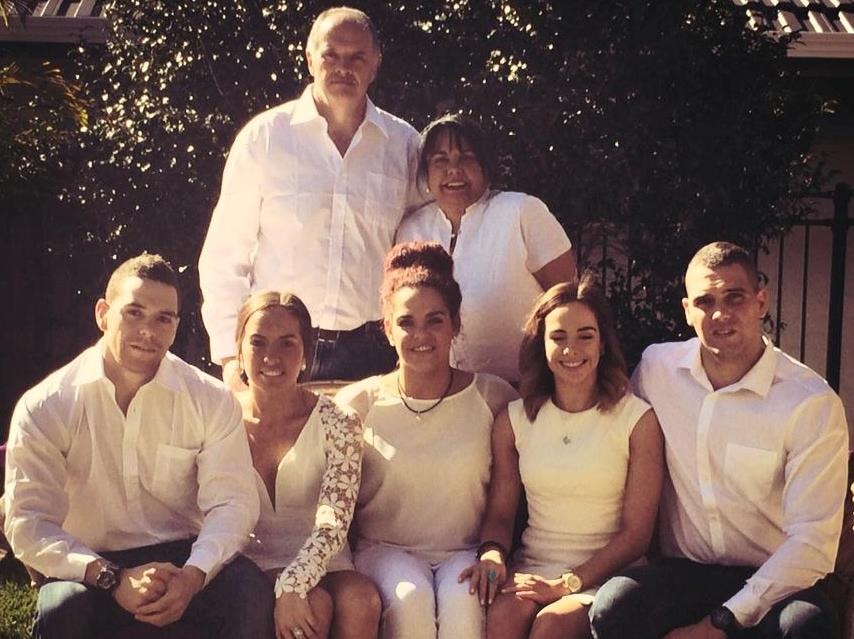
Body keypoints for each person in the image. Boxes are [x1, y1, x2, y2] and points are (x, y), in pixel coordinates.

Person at [4, 253, 272, 639]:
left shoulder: (210, 399)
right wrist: (112, 578)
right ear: (102, 313)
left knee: (249, 593)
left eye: (164, 318)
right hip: (91, 566)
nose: (149, 330)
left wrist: (193, 576)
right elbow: (28, 522)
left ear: (176, 326)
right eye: (134, 312)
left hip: (183, 558)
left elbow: (233, 503)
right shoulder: (47, 405)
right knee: (63, 608)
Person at [590, 241, 850, 639]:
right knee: (615, 607)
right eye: (705, 301)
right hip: (685, 573)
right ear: (687, 311)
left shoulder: (809, 401)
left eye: (735, 298)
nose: (720, 314)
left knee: (808, 627)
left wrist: (720, 623)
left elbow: (813, 544)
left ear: (761, 302)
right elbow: (610, 437)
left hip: (774, 580)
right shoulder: (658, 370)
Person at [199, 6, 420, 387]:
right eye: (330, 55)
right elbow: (224, 256)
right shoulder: (265, 138)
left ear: (375, 65)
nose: (342, 67)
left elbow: (421, 250)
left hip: (374, 352)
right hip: (279, 347)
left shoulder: (404, 145)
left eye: (357, 58)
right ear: (309, 58)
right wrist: (231, 357)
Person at [460, 278, 663, 639]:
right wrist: (492, 553)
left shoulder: (637, 420)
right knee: (503, 619)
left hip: (606, 575)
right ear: (541, 345)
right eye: (558, 337)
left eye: (585, 335)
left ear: (602, 344)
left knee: (551, 627)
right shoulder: (514, 420)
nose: (572, 349)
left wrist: (567, 584)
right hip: (533, 569)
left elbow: (637, 535)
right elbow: (501, 514)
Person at [335, 242, 518, 639]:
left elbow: (504, 507)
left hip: (466, 551)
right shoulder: (358, 404)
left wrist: (493, 552)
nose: (421, 335)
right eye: (406, 322)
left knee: (465, 608)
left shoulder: (494, 398)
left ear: (455, 324)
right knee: (410, 601)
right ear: (387, 329)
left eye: (435, 320)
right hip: (384, 550)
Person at [233, 290, 381, 639]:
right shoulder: (218, 419)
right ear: (239, 351)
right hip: (247, 562)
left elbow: (334, 518)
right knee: (314, 604)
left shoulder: (339, 420)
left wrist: (293, 582)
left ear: (306, 353)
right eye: (258, 342)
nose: (272, 356)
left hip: (324, 557)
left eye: (287, 343)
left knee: (362, 600)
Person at [395, 114, 576, 382]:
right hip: (441, 394)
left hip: (523, 392)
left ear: (486, 167)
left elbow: (573, 302)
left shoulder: (521, 213)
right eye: (440, 160)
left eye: (466, 157)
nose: (454, 169)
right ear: (426, 173)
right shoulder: (411, 231)